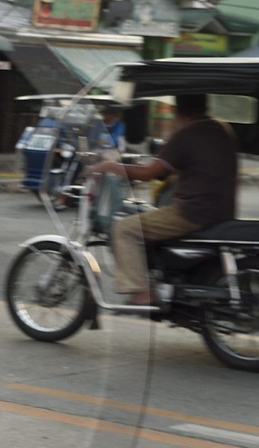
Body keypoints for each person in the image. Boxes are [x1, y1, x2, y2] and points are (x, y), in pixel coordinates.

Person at [90, 92, 238, 306]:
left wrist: (110, 166)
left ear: (178, 112)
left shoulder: (187, 135)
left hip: (193, 212)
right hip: (221, 209)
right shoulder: (222, 128)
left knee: (123, 229)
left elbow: (149, 173)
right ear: (206, 106)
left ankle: (141, 293)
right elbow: (174, 168)